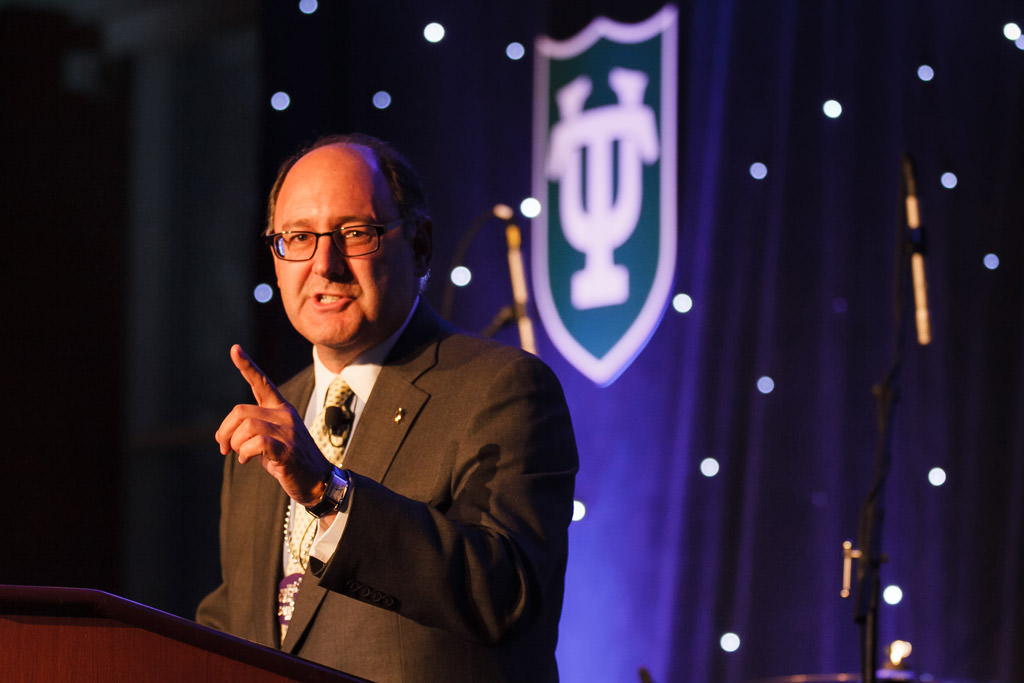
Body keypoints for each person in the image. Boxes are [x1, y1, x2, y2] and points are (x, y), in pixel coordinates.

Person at [196, 133, 579, 683]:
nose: (324, 265)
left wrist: (327, 492)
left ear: (419, 244)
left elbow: (509, 596)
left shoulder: (503, 388)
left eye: (355, 233)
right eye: (298, 237)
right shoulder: (269, 423)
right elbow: (237, 625)